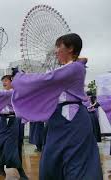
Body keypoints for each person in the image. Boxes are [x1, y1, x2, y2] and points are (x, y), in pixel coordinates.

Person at [11, 33, 102, 180]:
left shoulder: (75, 68)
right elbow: (47, 81)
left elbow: (46, 79)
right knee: (51, 162)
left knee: (76, 163)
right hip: (58, 119)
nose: (56, 51)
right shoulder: (71, 68)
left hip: (73, 121)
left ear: (71, 48)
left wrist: (20, 77)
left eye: (59, 46)